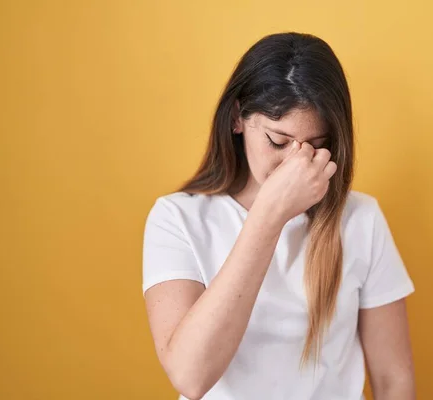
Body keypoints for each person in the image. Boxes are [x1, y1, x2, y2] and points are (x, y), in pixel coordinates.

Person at [142, 32, 416, 400]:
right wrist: (269, 216)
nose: (296, 163)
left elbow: (393, 381)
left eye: (316, 146)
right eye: (278, 141)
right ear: (238, 118)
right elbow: (191, 377)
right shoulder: (177, 219)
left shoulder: (360, 219)